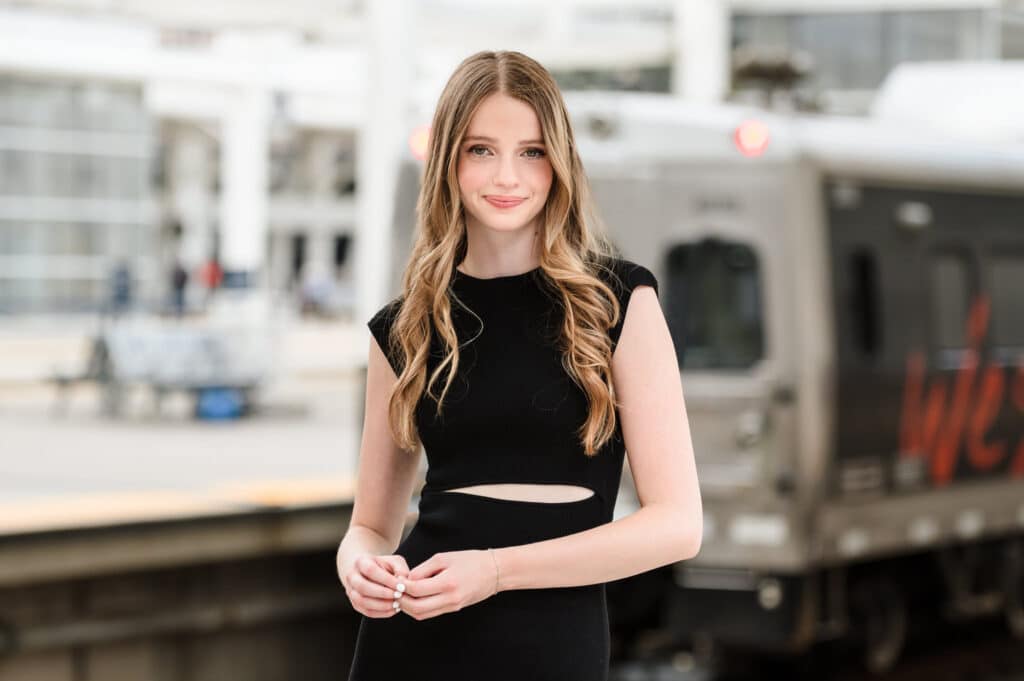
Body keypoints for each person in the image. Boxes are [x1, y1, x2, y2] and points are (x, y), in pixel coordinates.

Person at [337, 50, 702, 681]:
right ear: (449, 160)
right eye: (481, 150)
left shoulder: (616, 304)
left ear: (559, 162)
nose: (507, 175)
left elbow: (678, 527)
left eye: (531, 151)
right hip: (413, 638)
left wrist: (496, 571)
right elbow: (370, 525)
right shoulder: (404, 327)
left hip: (550, 640)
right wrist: (359, 567)